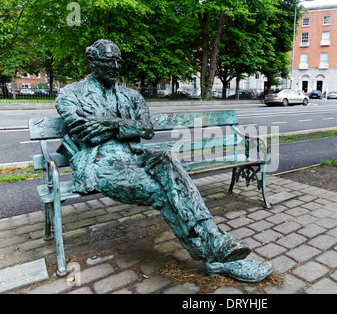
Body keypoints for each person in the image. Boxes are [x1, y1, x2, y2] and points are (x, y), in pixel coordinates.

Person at [55, 39, 273, 282]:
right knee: (165, 193)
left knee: (167, 159)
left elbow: (146, 129)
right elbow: (81, 129)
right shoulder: (70, 94)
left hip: (134, 154)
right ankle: (215, 254)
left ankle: (216, 241)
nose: (115, 66)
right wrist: (125, 126)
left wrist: (105, 123)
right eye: (108, 60)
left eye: (119, 61)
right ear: (92, 61)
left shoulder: (131, 95)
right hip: (100, 161)